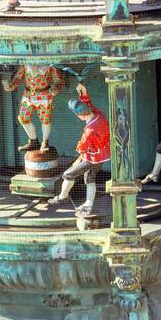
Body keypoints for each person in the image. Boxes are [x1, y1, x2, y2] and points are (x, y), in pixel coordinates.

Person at [48, 84, 111, 219]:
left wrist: (81, 153)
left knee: (68, 174)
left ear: (79, 115)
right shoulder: (98, 115)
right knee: (89, 178)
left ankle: (62, 197)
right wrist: (83, 92)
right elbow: (89, 104)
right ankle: (88, 205)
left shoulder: (89, 131)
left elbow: (82, 147)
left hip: (92, 158)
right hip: (103, 155)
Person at [1, 65, 66, 153]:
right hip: (28, 95)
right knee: (23, 117)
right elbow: (18, 78)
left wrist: (56, 88)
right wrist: (11, 86)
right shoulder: (25, 66)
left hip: (44, 95)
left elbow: (58, 80)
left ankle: (45, 142)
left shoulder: (50, 66)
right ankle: (33, 140)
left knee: (45, 119)